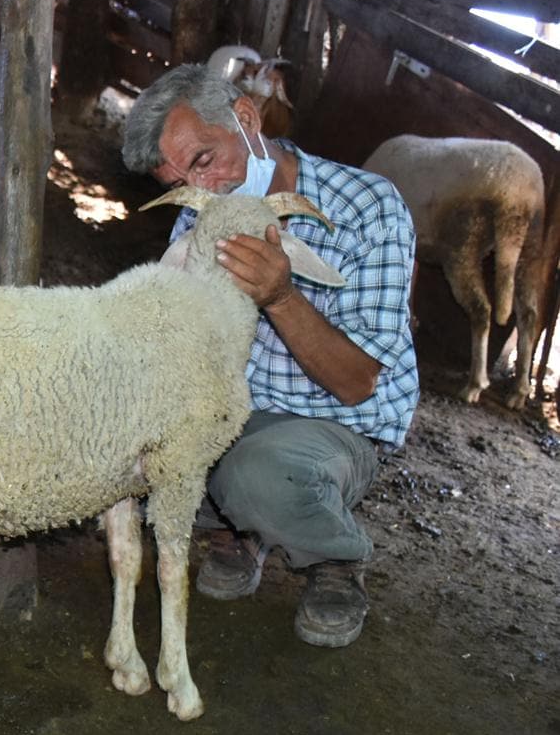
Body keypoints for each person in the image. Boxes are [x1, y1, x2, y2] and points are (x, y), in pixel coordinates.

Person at [120, 64, 419, 648]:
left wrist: (281, 296)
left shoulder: (367, 206)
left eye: (204, 160)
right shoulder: (202, 213)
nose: (201, 190)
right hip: (238, 412)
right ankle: (244, 526)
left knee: (255, 474)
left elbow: (359, 383)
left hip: (333, 426)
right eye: (181, 180)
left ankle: (335, 560)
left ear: (247, 119)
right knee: (122, 455)